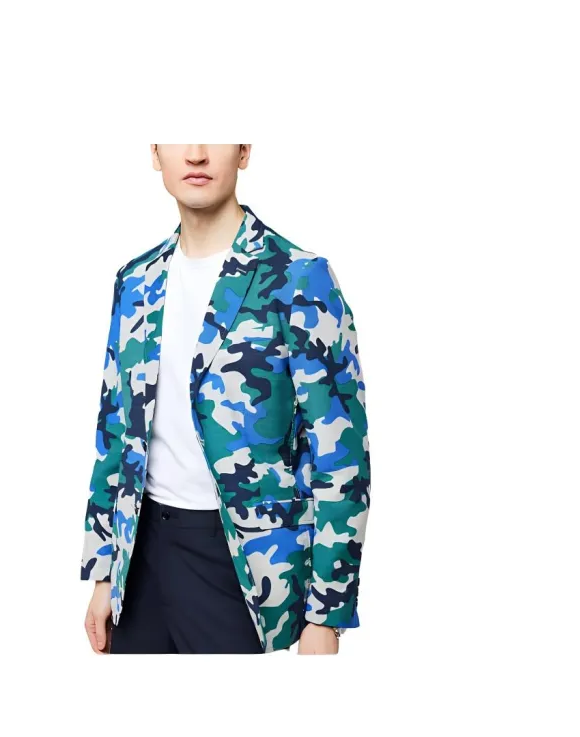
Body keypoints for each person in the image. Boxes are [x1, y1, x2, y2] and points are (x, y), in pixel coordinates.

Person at [81, 144, 370, 655]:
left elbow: (340, 455)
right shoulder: (136, 281)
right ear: (155, 153)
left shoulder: (298, 277)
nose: (195, 153)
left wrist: (326, 613)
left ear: (244, 150)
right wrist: (104, 570)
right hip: (140, 557)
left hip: (243, 565)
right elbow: (115, 433)